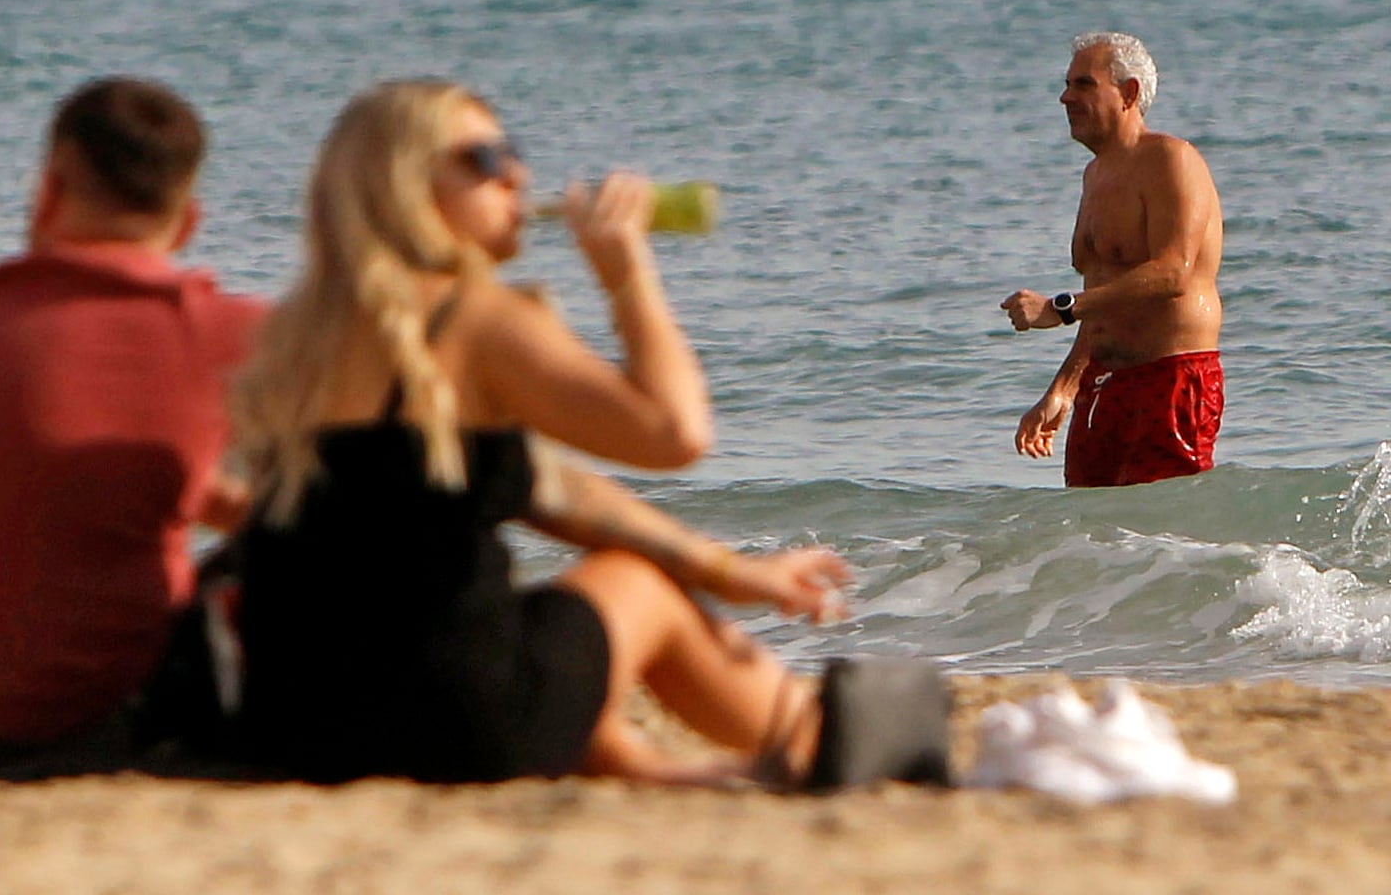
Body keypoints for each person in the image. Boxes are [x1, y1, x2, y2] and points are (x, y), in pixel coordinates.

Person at [206, 80, 945, 787]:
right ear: (407, 183)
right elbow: (675, 433)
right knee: (637, 584)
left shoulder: (288, 340)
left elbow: (550, 487)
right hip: (452, 724)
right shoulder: (475, 320)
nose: (517, 175)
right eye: (486, 160)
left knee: (551, 597)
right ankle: (824, 740)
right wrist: (626, 274)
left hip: (295, 722)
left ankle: (657, 772)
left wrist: (726, 570)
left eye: (514, 152)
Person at [0, 80, 265, 770]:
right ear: (188, 222)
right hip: (88, 717)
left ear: (47, 189)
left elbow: (69, 473)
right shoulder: (217, 329)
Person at [999, 33, 1225, 486]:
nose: (1065, 97)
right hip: (1101, 387)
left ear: (1129, 93)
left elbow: (1171, 273)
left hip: (1169, 380)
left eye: (1083, 84)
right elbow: (1107, 294)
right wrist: (1063, 389)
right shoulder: (1095, 175)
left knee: (1164, 532)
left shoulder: (1170, 159)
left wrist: (1059, 308)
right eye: (1066, 85)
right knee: (1091, 534)